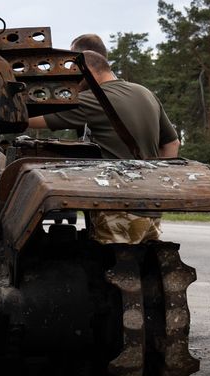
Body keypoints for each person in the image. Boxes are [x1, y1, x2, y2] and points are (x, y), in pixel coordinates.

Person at [27, 49, 179, 243]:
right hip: (151, 207)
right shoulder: (144, 92)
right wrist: (156, 185)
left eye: (75, 77)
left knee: (119, 266)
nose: (72, 85)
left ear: (87, 72)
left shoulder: (94, 99)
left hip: (118, 208)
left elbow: (30, 120)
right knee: (144, 263)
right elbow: (172, 143)